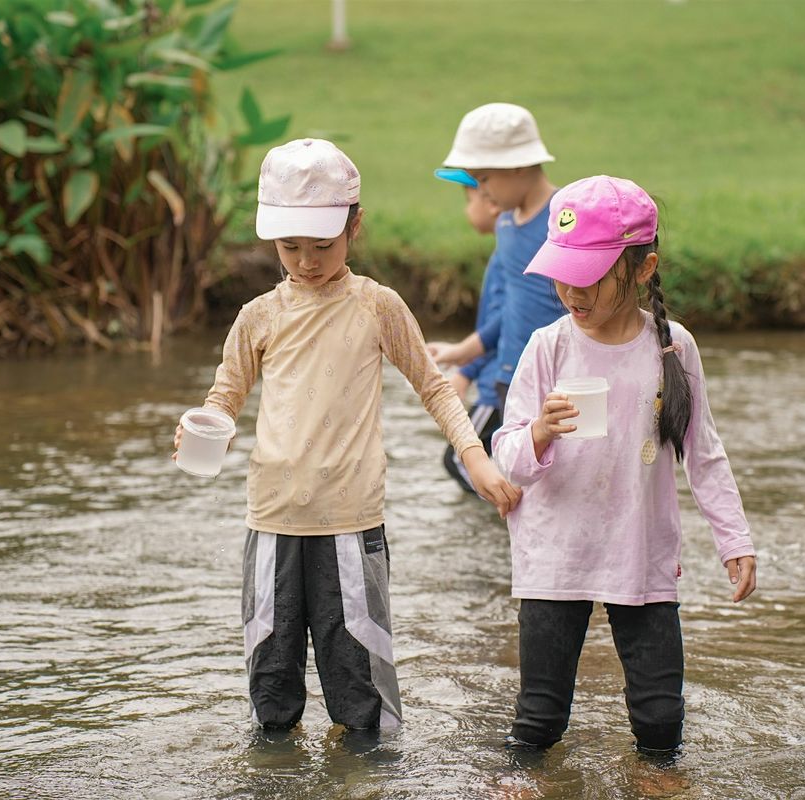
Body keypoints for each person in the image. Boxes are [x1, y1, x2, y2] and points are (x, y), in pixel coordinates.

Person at [172, 138, 521, 732]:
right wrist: (207, 431)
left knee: (361, 692)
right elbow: (225, 397)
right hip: (272, 518)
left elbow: (435, 388)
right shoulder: (258, 316)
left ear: (355, 226)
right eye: (290, 247)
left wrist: (476, 456)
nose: (306, 261)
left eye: (322, 245)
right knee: (271, 687)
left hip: (350, 522)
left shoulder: (376, 306)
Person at [490, 175, 758, 755]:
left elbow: (703, 451)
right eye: (562, 273)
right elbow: (507, 456)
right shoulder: (549, 346)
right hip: (556, 553)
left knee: (661, 719)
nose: (571, 292)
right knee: (539, 718)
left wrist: (733, 538)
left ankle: (659, 781)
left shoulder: (673, 347)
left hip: (641, 550)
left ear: (641, 268)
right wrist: (538, 432)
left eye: (588, 276)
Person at [425, 103, 565, 418]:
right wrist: (463, 353)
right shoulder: (504, 225)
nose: (481, 191)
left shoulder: (564, 217)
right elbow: (512, 310)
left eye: (484, 178)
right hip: (511, 379)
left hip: (560, 380)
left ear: (517, 165)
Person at [428, 166, 503, 492]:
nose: (466, 208)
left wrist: (465, 366)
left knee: (458, 459)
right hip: (497, 378)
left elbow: (503, 324)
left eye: (468, 198)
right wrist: (466, 370)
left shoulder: (507, 259)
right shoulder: (505, 253)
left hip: (498, 385)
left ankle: (510, 518)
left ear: (491, 201)